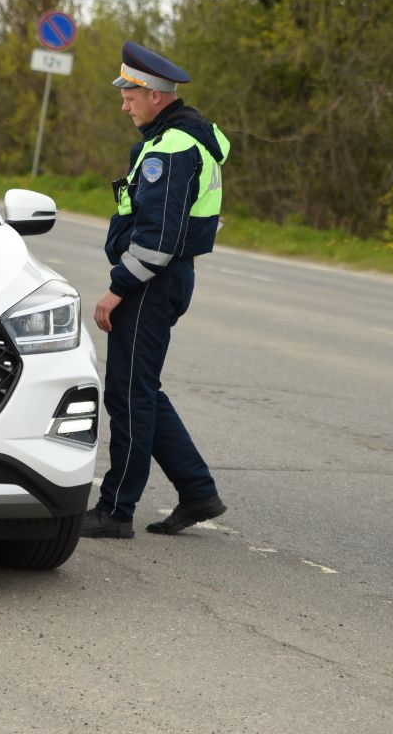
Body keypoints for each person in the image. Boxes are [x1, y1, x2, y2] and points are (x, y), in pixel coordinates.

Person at [83, 41, 231, 540]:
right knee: (140, 389)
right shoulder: (187, 137)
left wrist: (117, 289)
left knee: (127, 395)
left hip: (150, 281)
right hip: (166, 278)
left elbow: (159, 236)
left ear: (155, 95)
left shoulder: (170, 148)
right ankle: (197, 492)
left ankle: (115, 510)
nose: (124, 103)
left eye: (131, 94)